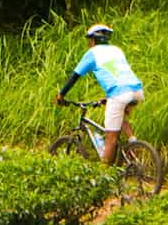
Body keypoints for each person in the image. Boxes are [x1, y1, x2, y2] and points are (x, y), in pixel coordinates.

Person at [56, 22, 143, 166]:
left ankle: (103, 177)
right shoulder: (117, 50)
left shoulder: (92, 53)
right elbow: (119, 73)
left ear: (92, 40)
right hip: (136, 90)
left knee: (111, 139)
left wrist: (61, 95)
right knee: (120, 114)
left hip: (119, 93)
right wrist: (109, 97)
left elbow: (74, 76)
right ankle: (133, 142)